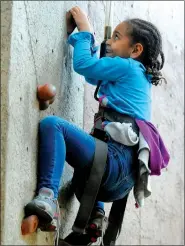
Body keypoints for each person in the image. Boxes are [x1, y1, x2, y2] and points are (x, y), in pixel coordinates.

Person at [23, 6, 168, 235]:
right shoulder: (138, 75)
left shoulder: (128, 66)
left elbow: (83, 65)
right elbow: (93, 74)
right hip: (119, 184)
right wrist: (87, 44)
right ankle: (97, 215)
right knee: (83, 169)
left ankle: (47, 197)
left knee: (53, 126)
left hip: (113, 162)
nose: (110, 42)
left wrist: (85, 32)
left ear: (135, 50)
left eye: (116, 37)